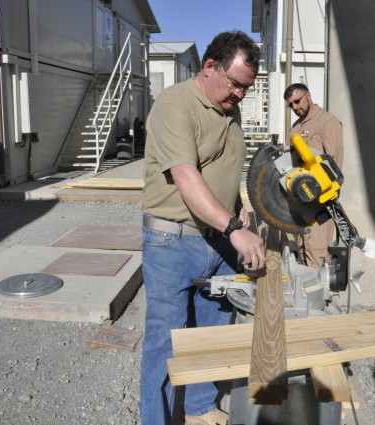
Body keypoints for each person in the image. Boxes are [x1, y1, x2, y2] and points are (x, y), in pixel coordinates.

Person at [140, 31, 265, 425]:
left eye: (247, 87)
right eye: (236, 84)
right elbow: (187, 177)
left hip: (219, 237)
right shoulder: (175, 104)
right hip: (173, 240)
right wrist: (233, 227)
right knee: (166, 341)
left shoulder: (229, 107)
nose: (241, 95)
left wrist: (240, 210)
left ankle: (199, 408)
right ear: (210, 66)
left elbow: (223, 169)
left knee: (213, 334)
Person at [284, 83, 344, 270]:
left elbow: (331, 164)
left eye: (297, 101)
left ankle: (320, 300)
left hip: (319, 206)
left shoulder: (327, 121)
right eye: (290, 105)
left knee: (317, 260)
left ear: (308, 95)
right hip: (299, 206)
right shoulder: (295, 127)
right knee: (302, 260)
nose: (295, 107)